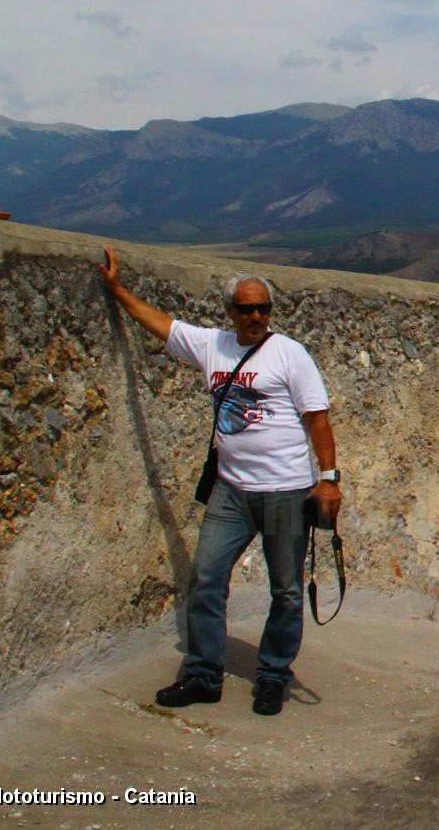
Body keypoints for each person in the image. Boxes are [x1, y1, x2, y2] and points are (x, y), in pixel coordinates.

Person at [98, 246, 341, 716]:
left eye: (263, 308)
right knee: (207, 578)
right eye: (246, 308)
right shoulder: (213, 345)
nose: (255, 316)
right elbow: (161, 324)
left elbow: (318, 419)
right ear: (230, 311)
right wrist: (117, 289)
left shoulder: (290, 355)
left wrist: (328, 480)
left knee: (286, 590)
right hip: (231, 488)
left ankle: (272, 675)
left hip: (284, 489)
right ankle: (203, 674)